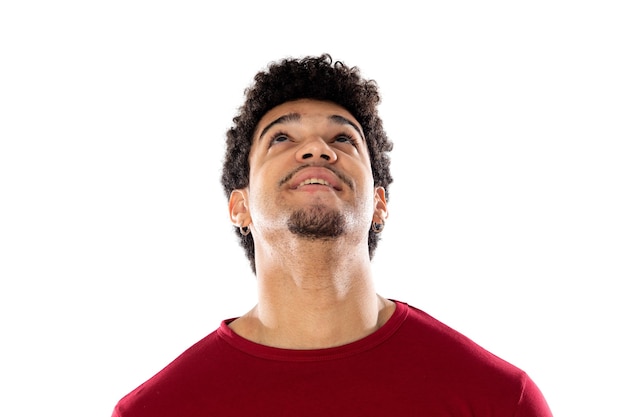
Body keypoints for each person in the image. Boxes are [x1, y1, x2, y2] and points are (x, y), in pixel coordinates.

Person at [111, 54, 553, 416]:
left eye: (343, 140)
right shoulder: (157, 411)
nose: (317, 149)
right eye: (281, 137)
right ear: (239, 206)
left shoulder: (498, 401)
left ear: (380, 203)